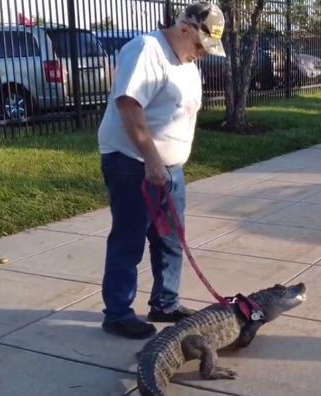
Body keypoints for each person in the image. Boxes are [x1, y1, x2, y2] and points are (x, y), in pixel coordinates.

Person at [96, 2, 226, 339]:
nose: (202, 54)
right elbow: (129, 105)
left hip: (169, 169)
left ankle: (165, 304)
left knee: (170, 239)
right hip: (132, 164)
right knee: (129, 238)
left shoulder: (185, 60)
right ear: (185, 28)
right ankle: (118, 313)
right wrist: (152, 159)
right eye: (200, 45)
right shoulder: (146, 49)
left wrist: (170, 159)